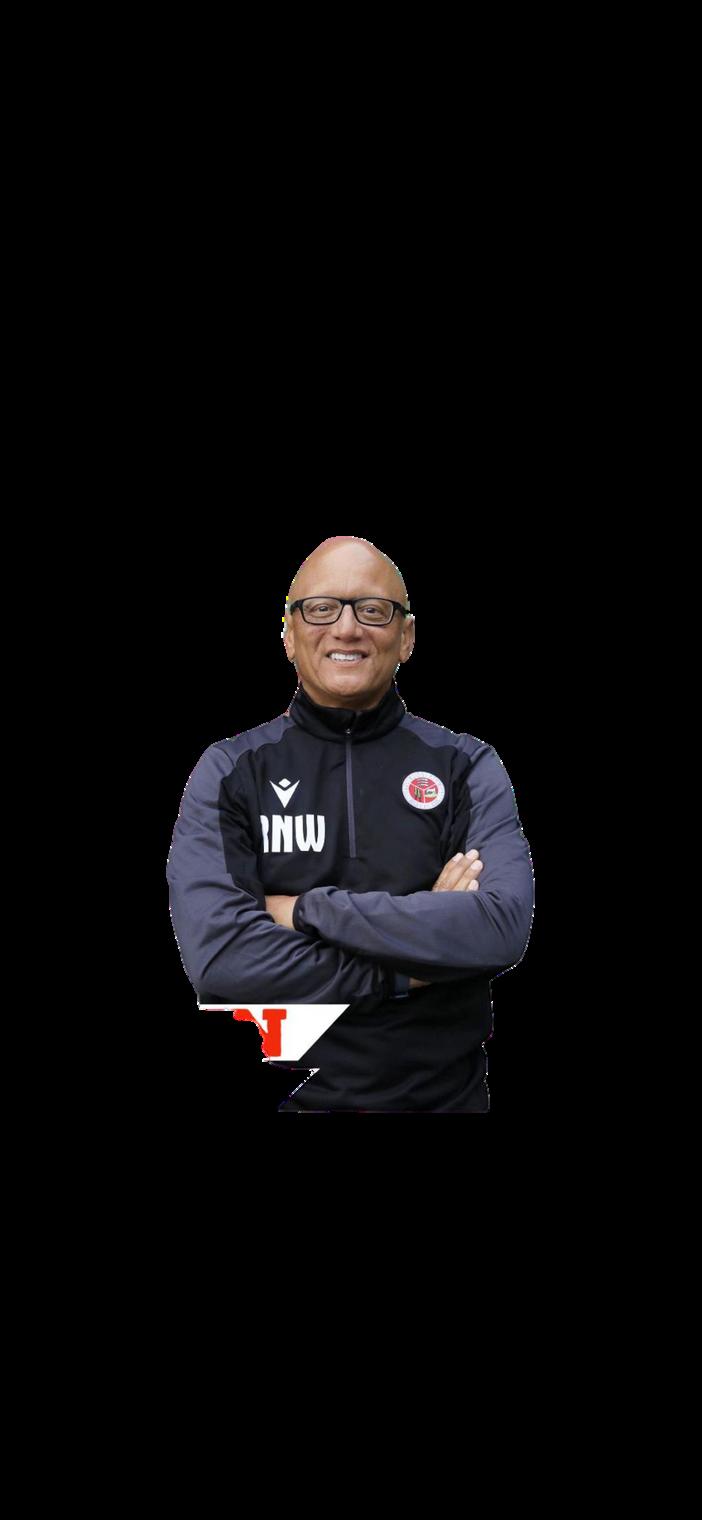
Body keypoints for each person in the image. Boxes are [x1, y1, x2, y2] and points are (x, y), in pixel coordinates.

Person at [166, 536, 534, 1113]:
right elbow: (222, 963)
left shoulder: (466, 765)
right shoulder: (230, 770)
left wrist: (304, 910)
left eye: (373, 610)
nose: (346, 629)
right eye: (321, 609)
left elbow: (498, 929)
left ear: (407, 637)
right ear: (288, 634)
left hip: (446, 1103)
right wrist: (413, 965)